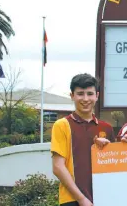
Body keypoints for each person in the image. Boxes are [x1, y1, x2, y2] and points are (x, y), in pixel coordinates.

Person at [51, 73, 115, 206]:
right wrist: (81, 199)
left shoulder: (107, 128)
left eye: (90, 93)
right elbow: (58, 167)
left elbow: (115, 166)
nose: (85, 99)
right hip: (72, 200)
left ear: (97, 96)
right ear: (72, 96)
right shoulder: (62, 125)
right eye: (80, 93)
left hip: (102, 197)